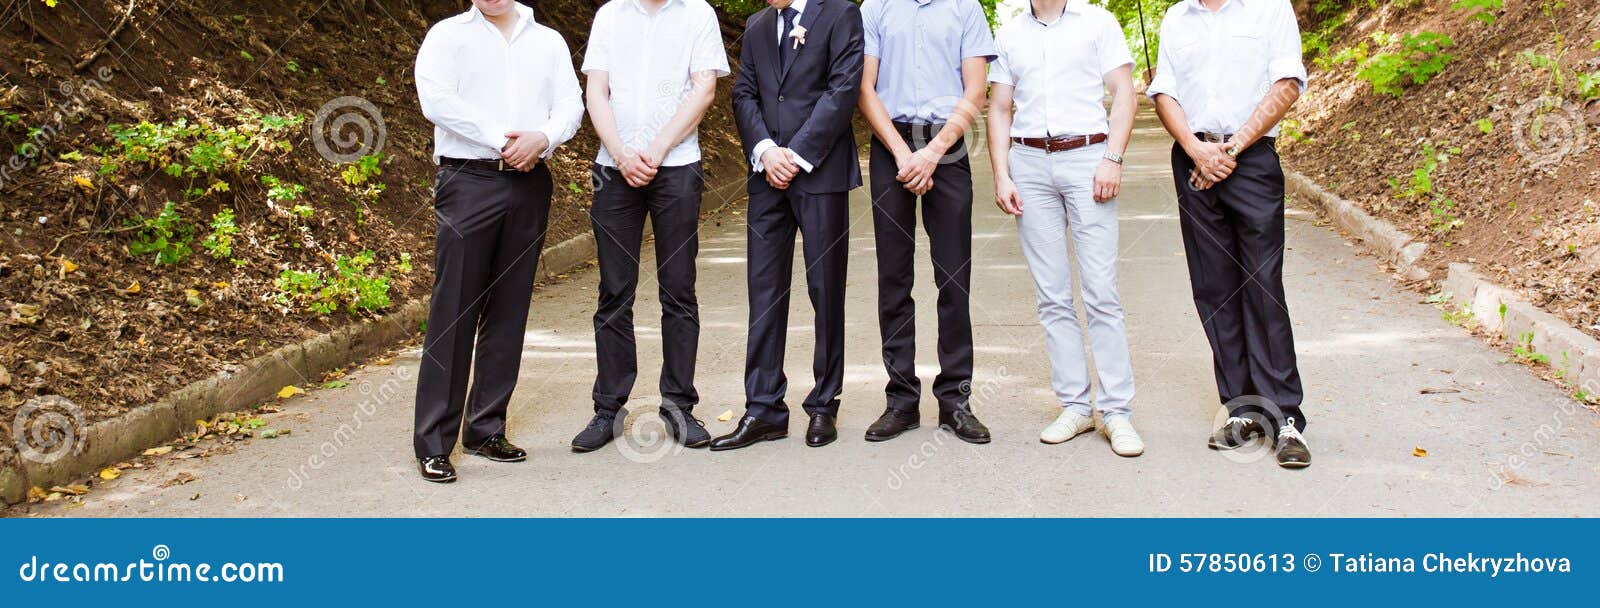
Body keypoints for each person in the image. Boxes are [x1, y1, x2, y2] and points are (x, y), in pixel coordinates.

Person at [411, 0, 583, 482]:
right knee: (455, 309)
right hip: (468, 182)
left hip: (530, 181)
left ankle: (486, 428)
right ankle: (434, 443)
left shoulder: (547, 41)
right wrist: (501, 139)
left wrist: (543, 137)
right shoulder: (447, 36)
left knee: (509, 310)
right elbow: (438, 101)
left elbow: (571, 105)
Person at [1147, 0, 1312, 468]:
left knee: (1263, 286)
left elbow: (1288, 83)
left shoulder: (1269, 9)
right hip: (1194, 160)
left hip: (1252, 159)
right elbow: (1164, 92)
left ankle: (1286, 419)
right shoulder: (1177, 17)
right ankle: (1242, 410)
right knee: (1215, 289)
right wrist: (1195, 149)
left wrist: (1232, 147)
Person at [569, 0, 731, 453]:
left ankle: (679, 406)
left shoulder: (697, 13)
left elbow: (703, 91)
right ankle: (608, 408)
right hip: (613, 168)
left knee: (678, 288)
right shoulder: (609, 14)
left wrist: (656, 149)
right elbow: (596, 91)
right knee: (613, 290)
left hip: (676, 166)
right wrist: (620, 153)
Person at [987, 0, 1144, 457]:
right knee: (1052, 295)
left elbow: (1124, 93)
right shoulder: (1011, 32)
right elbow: (999, 107)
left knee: (1100, 291)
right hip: (1029, 162)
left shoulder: (1098, 21)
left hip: (1087, 158)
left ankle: (1116, 413)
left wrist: (1112, 158)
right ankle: (1075, 406)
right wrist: (1002, 173)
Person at [712, 0, 864, 451]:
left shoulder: (841, 14)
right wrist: (763, 150)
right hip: (766, 178)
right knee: (763, 292)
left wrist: (795, 155)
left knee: (825, 288)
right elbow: (745, 94)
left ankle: (823, 404)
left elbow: (842, 90)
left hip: (821, 174)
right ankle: (763, 409)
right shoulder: (759, 24)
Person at [856, 0, 995, 444]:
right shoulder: (874, 7)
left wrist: (933, 152)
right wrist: (902, 153)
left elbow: (976, 91)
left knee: (954, 278)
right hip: (890, 144)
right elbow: (864, 86)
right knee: (893, 278)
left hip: (948, 146)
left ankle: (956, 401)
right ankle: (901, 400)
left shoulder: (966, 7)